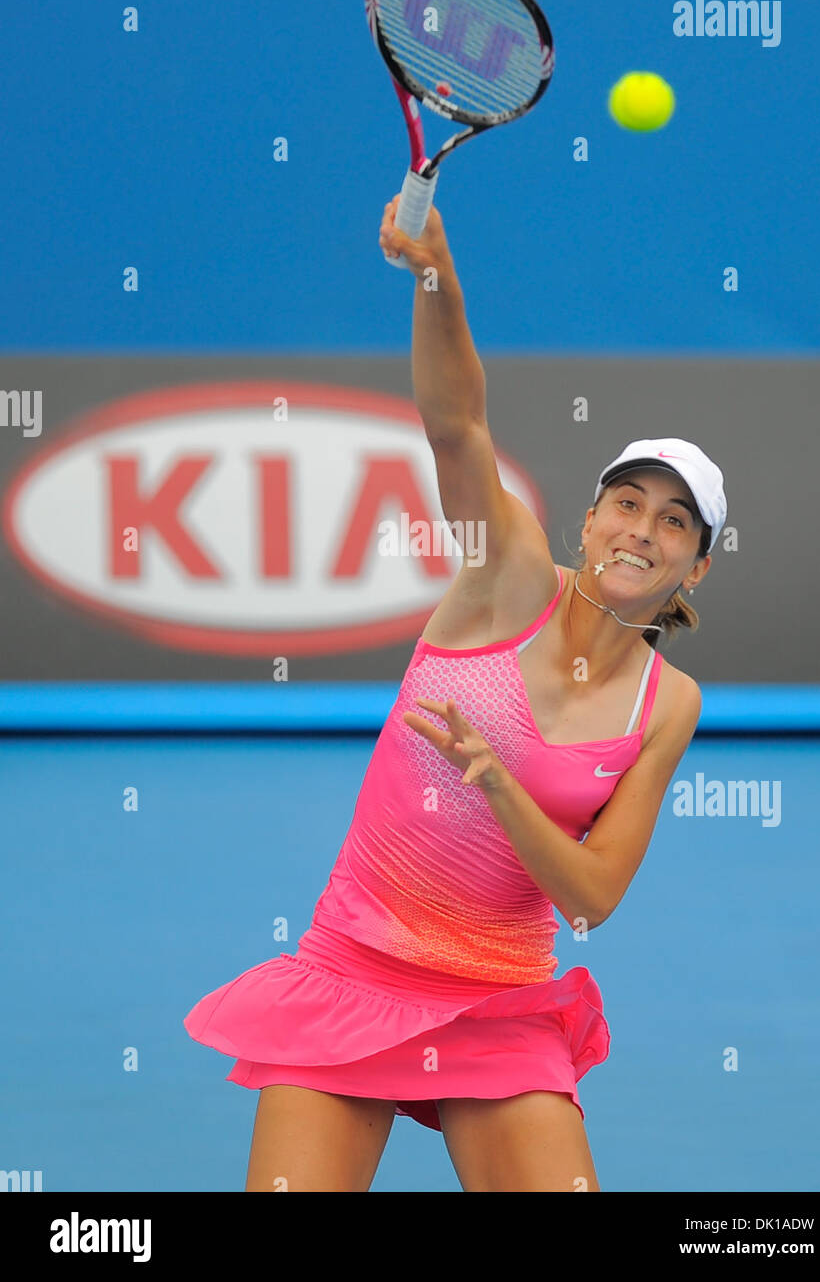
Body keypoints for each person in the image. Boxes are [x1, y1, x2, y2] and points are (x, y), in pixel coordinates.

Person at [183, 199, 727, 1193]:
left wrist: (503, 785)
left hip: (501, 1002)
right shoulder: (504, 577)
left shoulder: (668, 704)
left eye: (676, 523)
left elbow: (593, 896)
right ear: (590, 520)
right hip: (354, 969)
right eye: (628, 502)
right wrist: (437, 275)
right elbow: (456, 420)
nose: (643, 530)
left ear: (695, 567)